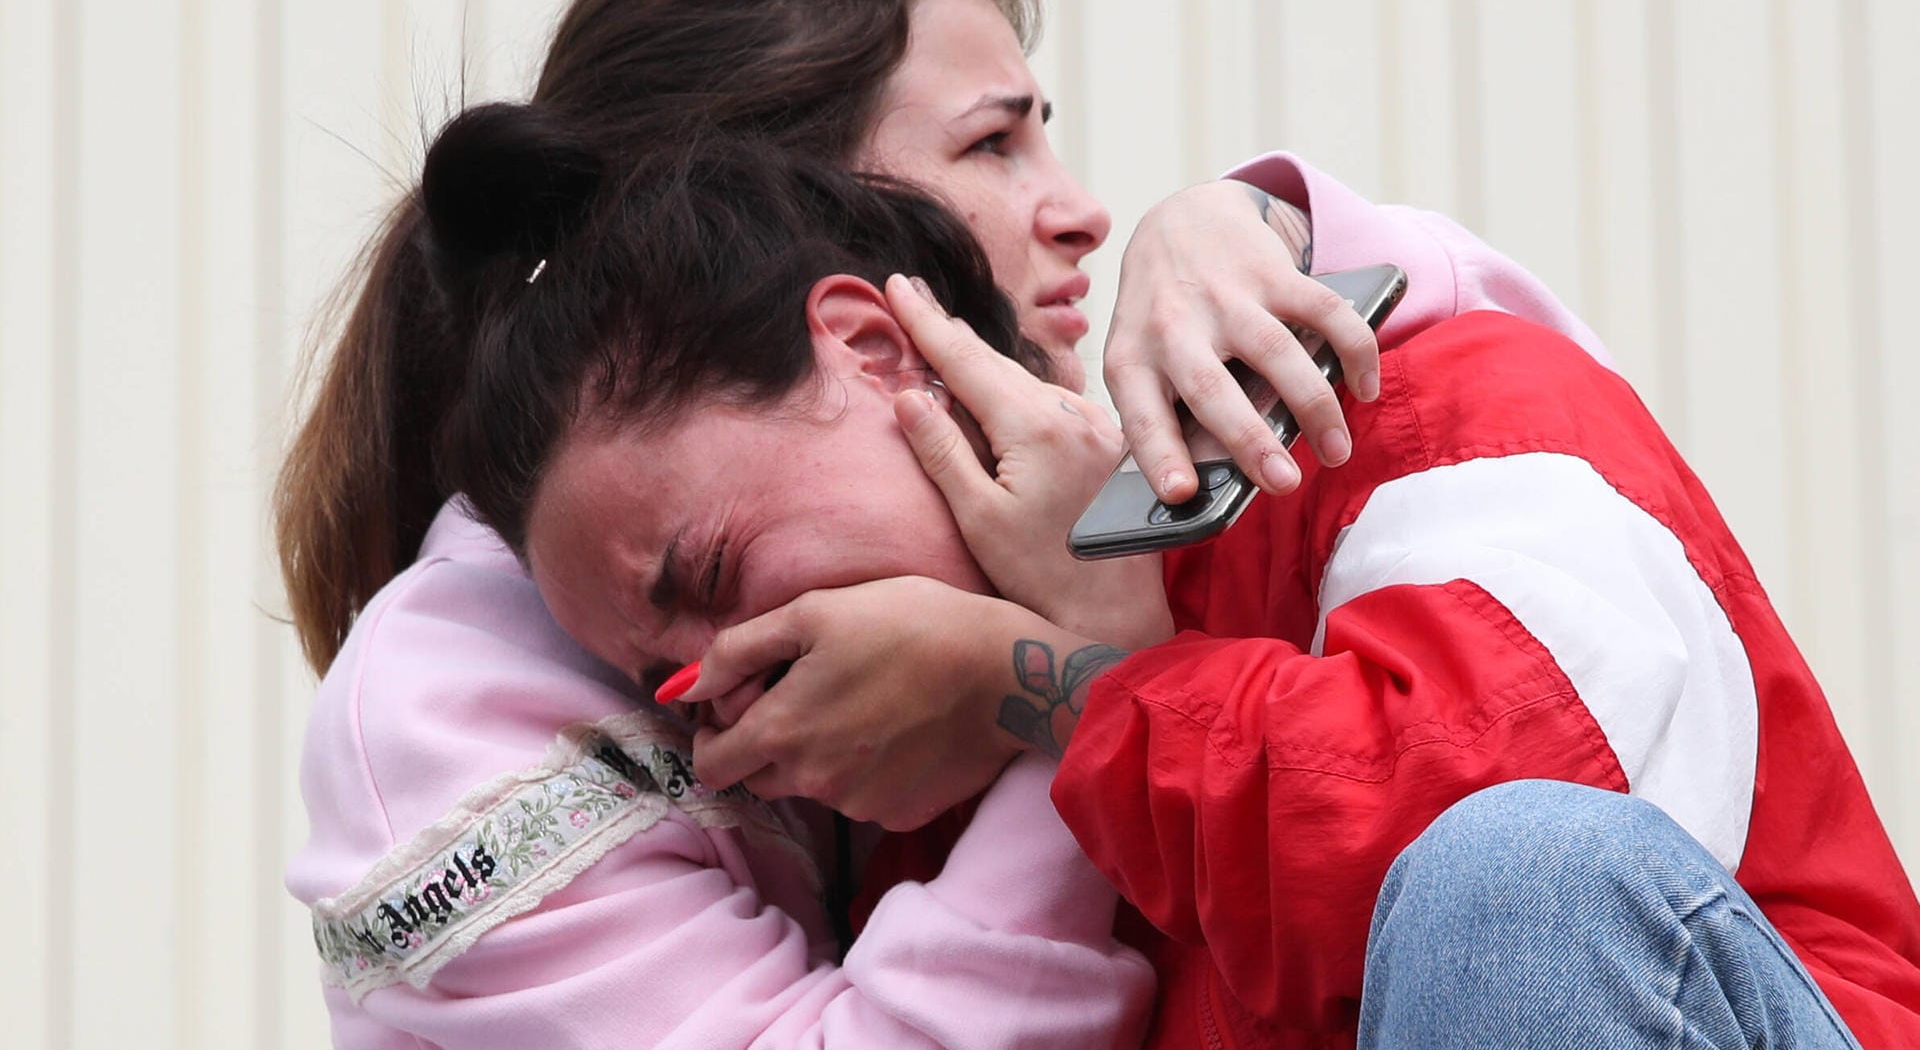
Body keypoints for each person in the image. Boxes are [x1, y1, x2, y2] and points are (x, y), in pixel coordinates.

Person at [277, 0, 1611, 1045]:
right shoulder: (458, 698)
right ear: (809, 243)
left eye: (1046, 128)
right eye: (991, 140)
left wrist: (1259, 227)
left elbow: (1539, 895)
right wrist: (1055, 688)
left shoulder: (1036, 533)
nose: (1084, 212)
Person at [450, 126, 1920, 1046]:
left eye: (712, 574)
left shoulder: (1426, 405)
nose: (729, 681)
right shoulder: (920, 856)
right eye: (667, 678)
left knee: (1507, 881)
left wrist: (1059, 690)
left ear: (875, 356)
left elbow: (1471, 881)